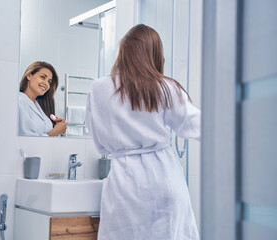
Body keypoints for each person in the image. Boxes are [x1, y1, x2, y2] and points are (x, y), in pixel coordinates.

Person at [85, 24, 201, 239]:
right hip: (164, 179)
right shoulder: (165, 86)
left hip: (124, 184)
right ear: (155, 54)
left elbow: (99, 142)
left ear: (124, 52)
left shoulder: (98, 88)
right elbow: (194, 125)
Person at [19, 61, 67, 136]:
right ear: (29, 76)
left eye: (49, 82)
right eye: (42, 77)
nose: (46, 84)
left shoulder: (38, 106)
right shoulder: (20, 102)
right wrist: (56, 131)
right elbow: (26, 139)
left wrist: (57, 126)